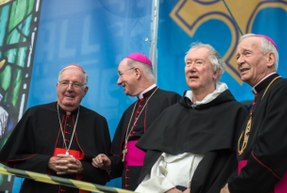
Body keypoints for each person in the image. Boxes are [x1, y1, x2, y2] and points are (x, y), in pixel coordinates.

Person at [134, 43, 248, 193]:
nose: (191, 68)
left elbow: (233, 166)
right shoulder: (171, 113)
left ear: (216, 72)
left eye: (199, 63)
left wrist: (195, 188)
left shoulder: (235, 113)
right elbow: (152, 162)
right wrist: (168, 189)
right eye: (188, 63)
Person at [0, 64, 112, 193]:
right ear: (57, 86)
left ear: (85, 91)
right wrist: (47, 162)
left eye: (76, 84)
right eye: (64, 83)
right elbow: (12, 160)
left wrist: (82, 168)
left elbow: (104, 175)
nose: (69, 89)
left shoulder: (97, 122)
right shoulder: (34, 115)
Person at [220, 34, 287, 193]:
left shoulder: (284, 90)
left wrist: (234, 187)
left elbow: (271, 154)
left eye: (247, 53)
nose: (239, 61)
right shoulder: (259, 98)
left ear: (270, 59)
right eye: (238, 56)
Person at [92, 53, 181, 190]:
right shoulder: (129, 111)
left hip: (160, 185)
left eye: (121, 75)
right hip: (130, 184)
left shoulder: (170, 100)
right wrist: (109, 162)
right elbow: (120, 157)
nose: (118, 81)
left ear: (137, 72)